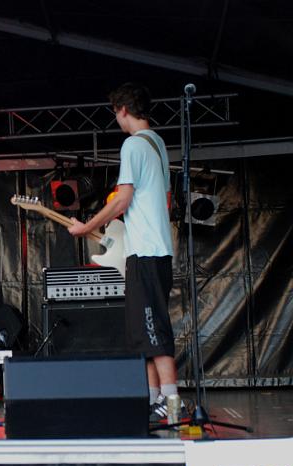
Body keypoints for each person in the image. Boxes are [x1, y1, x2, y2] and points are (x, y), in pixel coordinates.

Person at [67, 83, 181, 423]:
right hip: (152, 250)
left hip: (146, 252)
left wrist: (87, 227)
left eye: (115, 113)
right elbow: (164, 200)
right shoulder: (158, 143)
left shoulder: (133, 144)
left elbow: (122, 198)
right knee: (141, 332)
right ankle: (152, 400)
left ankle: (173, 402)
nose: (116, 119)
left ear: (123, 110)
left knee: (153, 327)